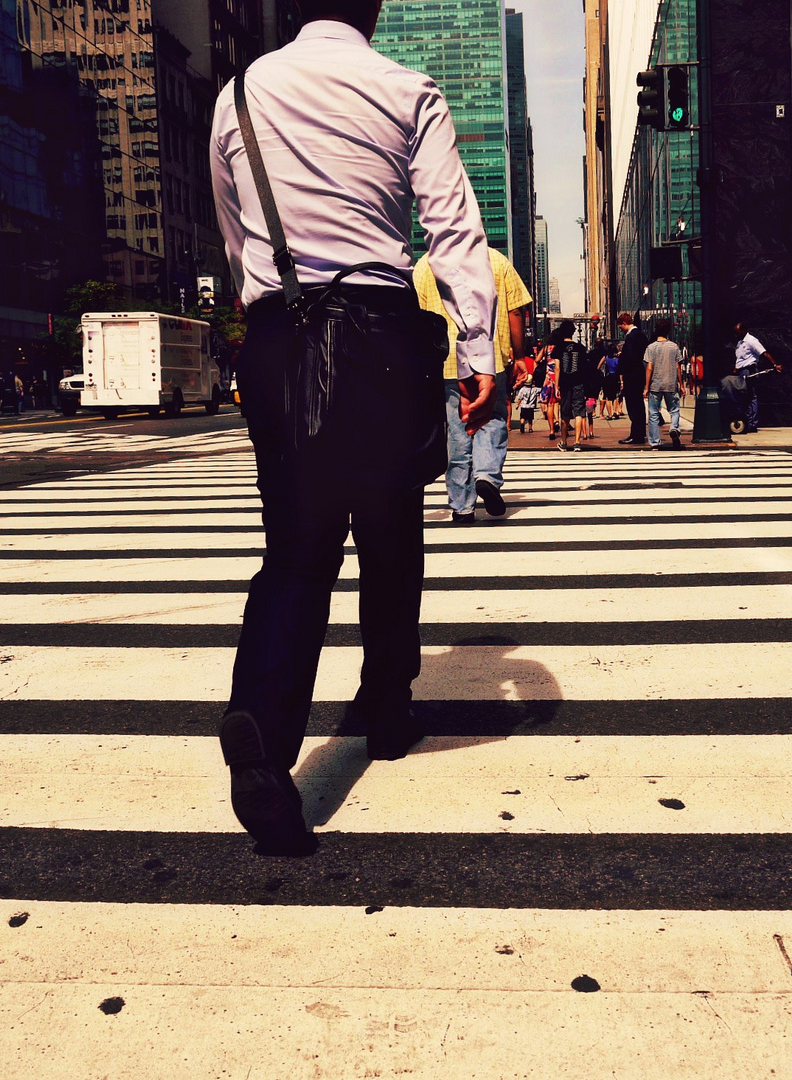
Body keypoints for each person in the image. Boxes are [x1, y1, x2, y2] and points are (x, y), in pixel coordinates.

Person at [209, 0, 498, 855]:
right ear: (370, 8)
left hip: (277, 334)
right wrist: (480, 351)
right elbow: (452, 226)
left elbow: (234, 232)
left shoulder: (240, 94)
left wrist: (265, 305)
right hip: (376, 337)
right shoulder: (406, 88)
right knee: (389, 529)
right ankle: (388, 701)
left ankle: (263, 725)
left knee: (295, 549)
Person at [414, 246, 531, 524]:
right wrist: (519, 355)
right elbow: (516, 311)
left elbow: (416, 317)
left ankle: (462, 506)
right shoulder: (496, 259)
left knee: (457, 430)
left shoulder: (425, 264)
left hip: (446, 359)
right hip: (489, 357)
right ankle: (487, 475)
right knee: (492, 419)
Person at [644, 319, 684, 450]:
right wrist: (682, 385)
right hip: (671, 384)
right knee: (674, 410)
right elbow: (678, 367)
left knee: (653, 414)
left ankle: (655, 442)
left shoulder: (651, 348)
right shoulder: (674, 347)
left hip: (656, 385)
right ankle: (674, 427)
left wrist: (646, 387)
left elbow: (649, 368)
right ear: (668, 331)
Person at [553, 320, 589, 451]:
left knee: (565, 412)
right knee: (579, 412)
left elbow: (557, 368)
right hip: (578, 382)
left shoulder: (558, 348)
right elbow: (585, 368)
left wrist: (556, 386)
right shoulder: (580, 348)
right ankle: (577, 442)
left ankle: (563, 442)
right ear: (573, 332)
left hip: (565, 384)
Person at [616, 311, 649, 443]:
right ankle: (638, 433)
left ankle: (636, 435)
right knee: (638, 406)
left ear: (624, 323)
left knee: (633, 406)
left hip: (632, 375)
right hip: (639, 373)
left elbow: (630, 357)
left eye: (620, 327)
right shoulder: (641, 335)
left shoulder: (631, 337)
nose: (621, 330)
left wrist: (621, 362)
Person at [733, 321, 770, 433]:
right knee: (743, 397)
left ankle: (752, 424)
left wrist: (775, 364)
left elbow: (764, 353)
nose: (736, 334)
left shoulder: (752, 341)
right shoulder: (739, 343)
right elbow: (739, 358)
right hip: (740, 371)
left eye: (738, 332)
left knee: (750, 396)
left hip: (749, 371)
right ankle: (746, 421)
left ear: (744, 330)